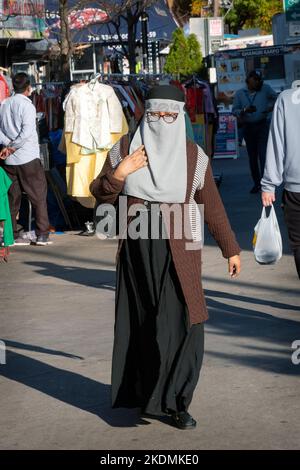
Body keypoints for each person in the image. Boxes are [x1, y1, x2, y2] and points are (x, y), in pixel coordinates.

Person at [90, 85, 241, 430]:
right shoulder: (126, 148)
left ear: (180, 117)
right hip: (138, 249)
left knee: (187, 323)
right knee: (144, 325)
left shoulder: (193, 156)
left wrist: (230, 248)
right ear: (146, 113)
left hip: (181, 248)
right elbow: (98, 195)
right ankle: (146, 396)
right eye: (156, 114)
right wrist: (120, 174)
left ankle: (177, 402)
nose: (162, 121)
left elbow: (212, 206)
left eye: (170, 115)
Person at [0, 72, 51, 246]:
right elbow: (27, 131)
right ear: (29, 88)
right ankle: (42, 233)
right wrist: (13, 146)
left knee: (12, 198)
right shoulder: (27, 106)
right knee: (38, 196)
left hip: (10, 160)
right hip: (27, 157)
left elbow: (0, 130)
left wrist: (7, 147)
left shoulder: (4, 104)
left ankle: (11, 234)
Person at [261, 87, 300, 279]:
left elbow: (277, 143)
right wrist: (268, 184)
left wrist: (269, 184)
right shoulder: (286, 99)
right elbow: (277, 142)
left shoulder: (287, 98)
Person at [232, 70, 277, 193]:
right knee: (252, 157)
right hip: (248, 127)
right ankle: (256, 183)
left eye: (259, 80)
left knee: (263, 155)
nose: (258, 82)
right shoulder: (240, 93)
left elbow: (278, 98)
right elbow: (234, 110)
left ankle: (264, 183)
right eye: (255, 80)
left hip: (262, 125)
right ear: (249, 81)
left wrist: (270, 107)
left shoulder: (266, 89)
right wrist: (244, 110)